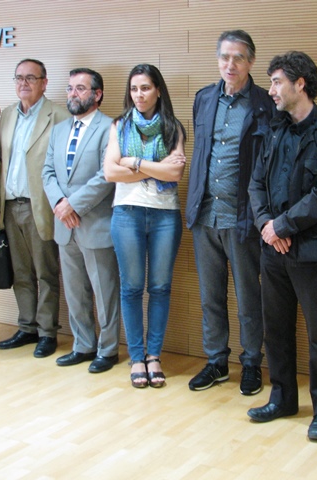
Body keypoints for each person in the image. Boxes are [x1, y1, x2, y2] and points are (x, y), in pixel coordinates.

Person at [247, 51, 317, 441]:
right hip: (273, 250)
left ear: (300, 84)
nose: (271, 90)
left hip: (315, 253)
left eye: (277, 82)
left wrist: (283, 225)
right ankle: (283, 398)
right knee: (275, 329)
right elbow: (255, 184)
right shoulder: (273, 130)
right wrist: (267, 225)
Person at [186, 30, 275, 396]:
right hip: (204, 214)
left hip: (243, 217)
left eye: (238, 57)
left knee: (248, 297)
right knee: (210, 296)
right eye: (225, 56)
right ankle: (216, 361)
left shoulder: (264, 102)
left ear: (251, 61)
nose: (230, 64)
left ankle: (251, 362)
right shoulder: (204, 98)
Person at [104, 64, 186, 388]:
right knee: (132, 288)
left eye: (146, 88)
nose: (139, 94)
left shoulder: (173, 127)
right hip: (127, 214)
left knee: (161, 288)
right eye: (134, 88)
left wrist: (134, 162)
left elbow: (175, 173)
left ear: (158, 91)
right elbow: (110, 172)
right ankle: (137, 357)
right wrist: (155, 167)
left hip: (165, 215)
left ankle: (154, 356)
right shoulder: (119, 125)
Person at [42, 68, 121, 372]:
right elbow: (47, 171)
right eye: (70, 88)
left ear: (97, 94)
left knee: (104, 292)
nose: (72, 94)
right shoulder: (59, 130)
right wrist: (59, 204)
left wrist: (73, 205)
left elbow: (106, 175)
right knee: (75, 291)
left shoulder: (110, 127)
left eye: (80, 88)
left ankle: (108, 350)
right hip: (65, 225)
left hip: (95, 223)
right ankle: (83, 345)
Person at [0, 59, 70, 358]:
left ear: (44, 82)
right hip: (9, 206)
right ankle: (27, 327)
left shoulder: (60, 116)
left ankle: (47, 332)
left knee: (46, 273)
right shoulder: (6, 115)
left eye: (30, 78)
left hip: (41, 207)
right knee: (20, 272)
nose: (23, 83)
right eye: (19, 78)